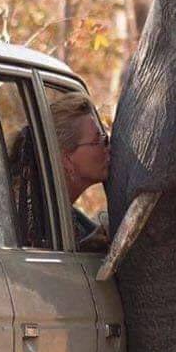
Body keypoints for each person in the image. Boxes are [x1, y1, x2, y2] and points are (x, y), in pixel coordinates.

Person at [49, 92, 110, 249]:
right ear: (67, 160)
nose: (107, 146)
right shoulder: (38, 218)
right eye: (98, 140)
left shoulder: (64, 215)